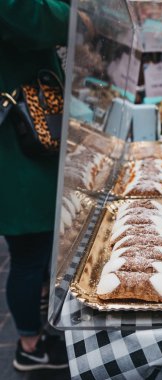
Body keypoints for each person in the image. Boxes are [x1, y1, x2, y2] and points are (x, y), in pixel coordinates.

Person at [0, 1, 70, 371]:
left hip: (26, 139)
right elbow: (33, 16)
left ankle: (41, 309)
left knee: (35, 251)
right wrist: (81, 13)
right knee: (27, 254)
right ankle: (29, 345)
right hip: (17, 142)